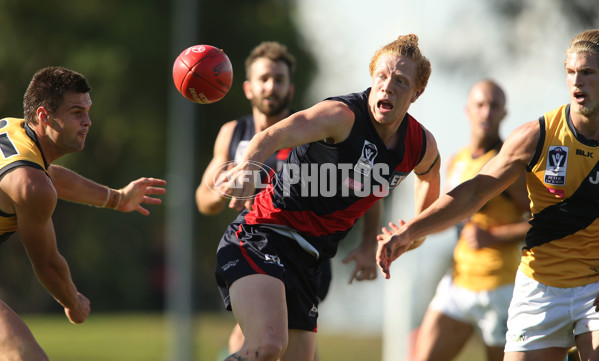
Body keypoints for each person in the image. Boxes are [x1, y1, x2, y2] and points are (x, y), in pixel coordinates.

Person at [213, 34, 441, 361]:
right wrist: (247, 170)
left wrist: (412, 233)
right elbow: (273, 135)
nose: (387, 86)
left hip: (309, 259)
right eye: (381, 76)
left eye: (401, 81)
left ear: (416, 93)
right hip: (261, 235)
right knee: (266, 348)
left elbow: (429, 178)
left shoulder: (419, 145)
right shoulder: (341, 116)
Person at [377, 29, 599, 361]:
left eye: (588, 72)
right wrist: (411, 230)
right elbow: (475, 192)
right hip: (538, 287)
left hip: (586, 287)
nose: (577, 81)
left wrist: (494, 236)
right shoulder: (536, 136)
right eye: (571, 72)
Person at [195, 41, 379, 360]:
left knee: (282, 348)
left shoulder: (311, 132)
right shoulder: (233, 133)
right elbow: (204, 201)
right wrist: (223, 185)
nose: (271, 86)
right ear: (249, 88)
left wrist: (368, 244)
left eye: (278, 79)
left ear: (290, 88)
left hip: (306, 257)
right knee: (257, 341)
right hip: (256, 248)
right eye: (264, 79)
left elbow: (364, 187)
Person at [0, 66, 166, 360]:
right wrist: (73, 302)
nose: (88, 122)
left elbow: (50, 177)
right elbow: (48, 264)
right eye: (77, 112)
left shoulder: (14, 132)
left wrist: (118, 198)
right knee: (22, 356)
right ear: (44, 115)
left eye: (88, 111)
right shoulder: (31, 185)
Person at [408, 80, 530, 361]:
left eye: (494, 106)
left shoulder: (507, 165)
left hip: (500, 289)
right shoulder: (456, 161)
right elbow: (447, 218)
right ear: (468, 110)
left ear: (504, 114)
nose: (486, 112)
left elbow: (544, 221)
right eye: (480, 105)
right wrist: (408, 235)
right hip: (458, 284)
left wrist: (494, 237)